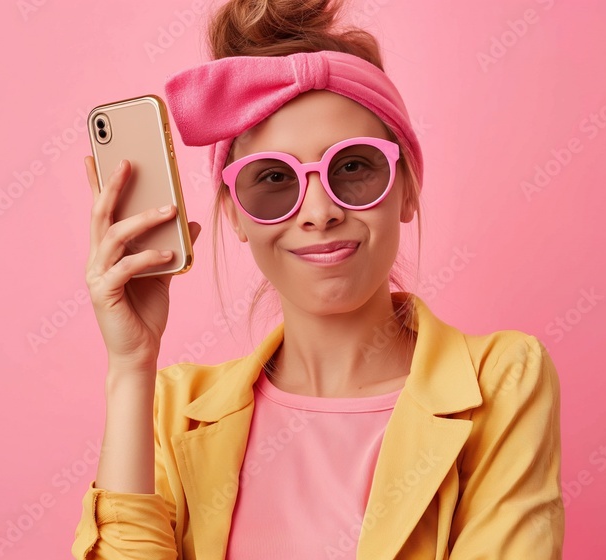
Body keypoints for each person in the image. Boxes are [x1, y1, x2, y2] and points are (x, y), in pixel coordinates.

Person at [71, 1, 564, 558]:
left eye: (353, 166)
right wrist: (131, 368)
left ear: (407, 187)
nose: (319, 210)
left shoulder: (502, 380)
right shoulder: (173, 407)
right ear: (233, 213)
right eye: (274, 180)